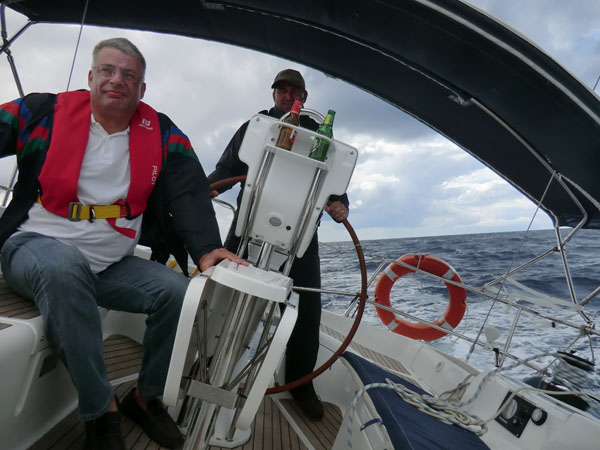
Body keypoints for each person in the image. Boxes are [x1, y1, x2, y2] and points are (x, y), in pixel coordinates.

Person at [0, 38, 244, 450]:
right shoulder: (42, 112)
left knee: (179, 294)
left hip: (109, 266)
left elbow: (189, 191)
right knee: (64, 266)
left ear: (141, 88)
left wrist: (206, 249)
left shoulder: (163, 134)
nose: (117, 80)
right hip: (33, 248)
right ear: (91, 76)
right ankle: (101, 410)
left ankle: (146, 399)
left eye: (129, 75)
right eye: (108, 70)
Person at [207, 69, 349, 420]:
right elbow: (227, 169)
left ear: (304, 96)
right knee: (222, 291)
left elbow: (336, 185)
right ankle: (207, 359)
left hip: (300, 234)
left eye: (294, 91)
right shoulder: (256, 127)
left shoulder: (321, 136)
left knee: (307, 309)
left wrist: (338, 204)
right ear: (273, 95)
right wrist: (204, 189)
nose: (287, 96)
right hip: (248, 226)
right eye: (281, 90)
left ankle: (300, 384)